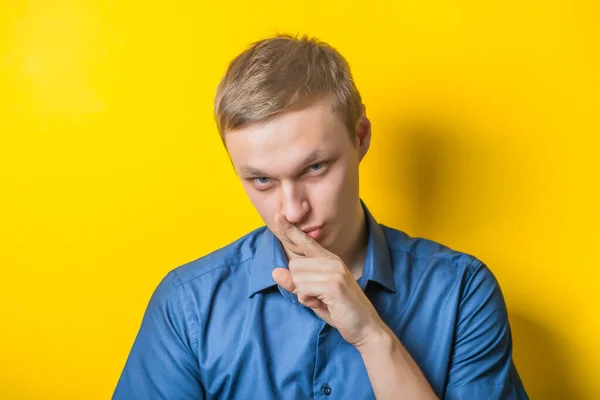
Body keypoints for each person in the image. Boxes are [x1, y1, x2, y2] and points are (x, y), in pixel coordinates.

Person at [113, 34, 529, 399]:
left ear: (360, 136)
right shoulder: (188, 304)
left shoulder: (462, 293)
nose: (292, 210)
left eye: (315, 168)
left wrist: (371, 335)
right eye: (261, 180)